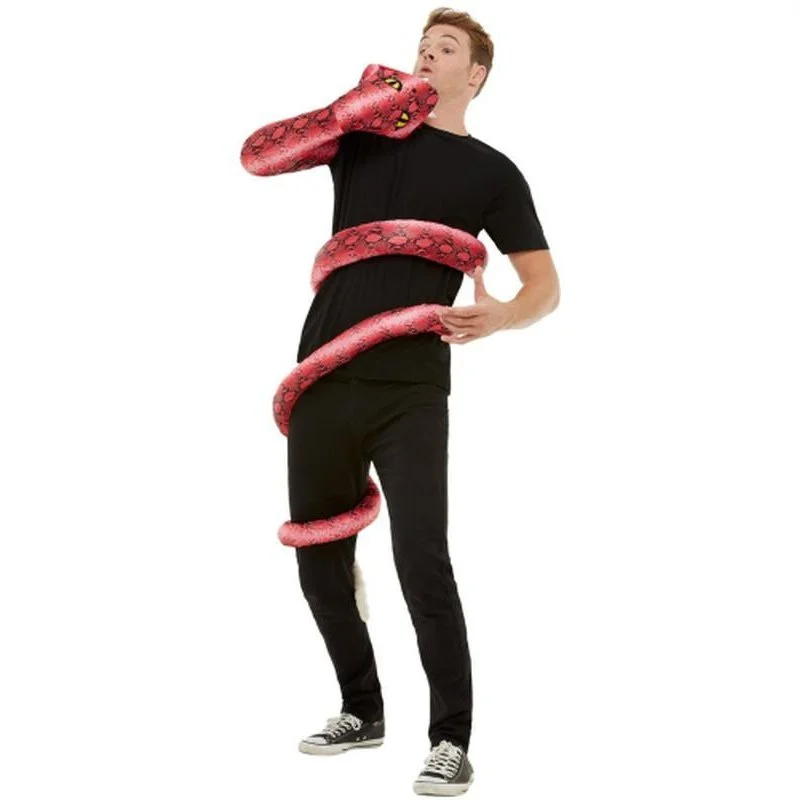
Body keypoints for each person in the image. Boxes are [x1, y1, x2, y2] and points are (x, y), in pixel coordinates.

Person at [241, 7, 560, 796]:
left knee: (423, 559)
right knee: (319, 559)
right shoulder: (362, 138)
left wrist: (502, 315)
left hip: (411, 388)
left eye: (445, 48)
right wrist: (350, 109)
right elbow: (259, 155)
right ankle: (362, 710)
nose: (426, 54)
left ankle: (451, 740)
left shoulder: (492, 173)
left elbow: (544, 286)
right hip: (323, 376)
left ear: (475, 76)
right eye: (421, 45)